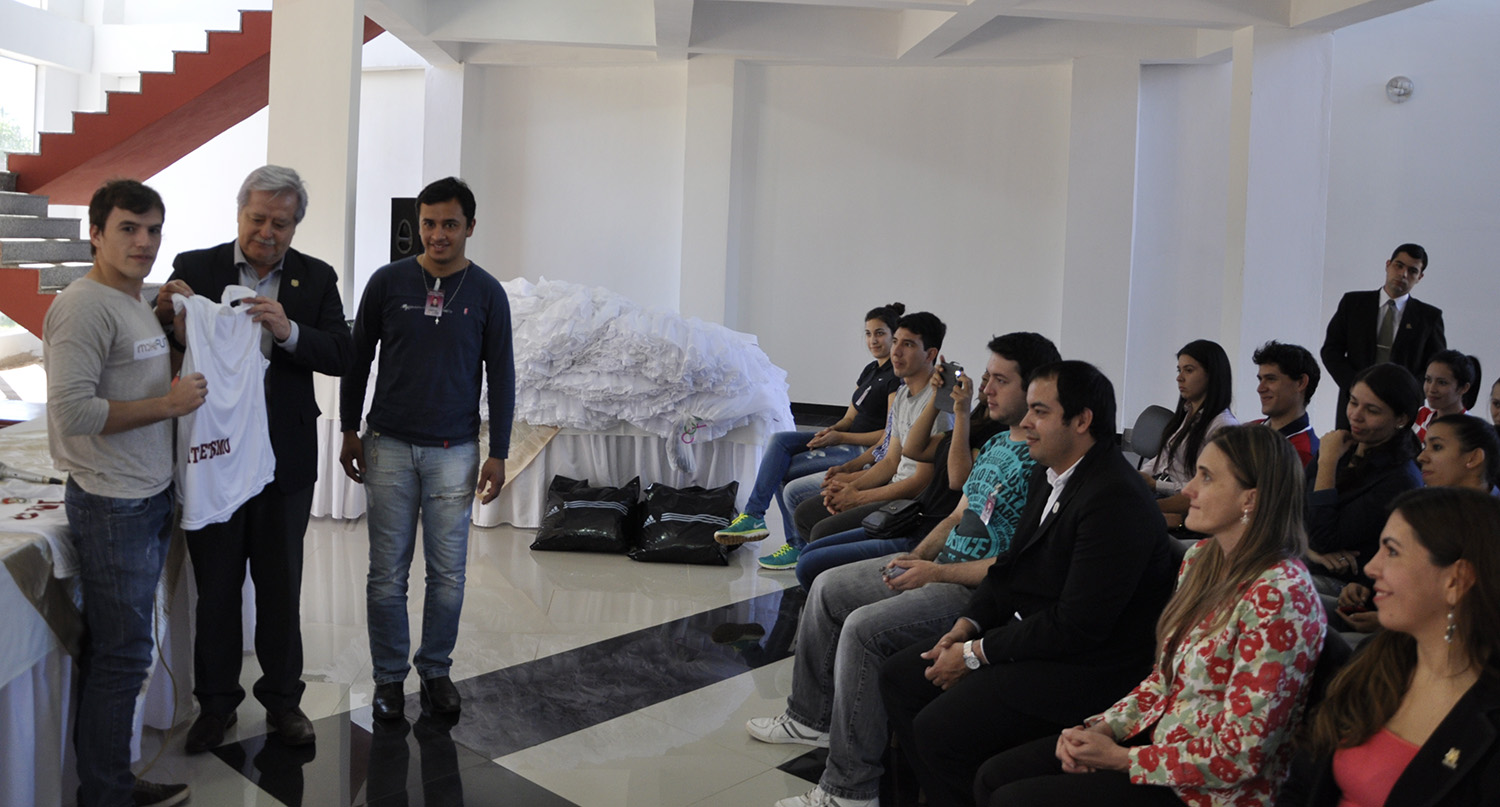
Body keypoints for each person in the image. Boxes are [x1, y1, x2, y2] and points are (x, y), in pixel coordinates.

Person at [747, 332, 1058, 807]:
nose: (987, 388)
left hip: (972, 591)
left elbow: (1013, 566)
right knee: (827, 587)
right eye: (988, 377)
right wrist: (922, 557)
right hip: (940, 564)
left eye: (1001, 380)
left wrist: (935, 573)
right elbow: (957, 514)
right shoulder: (997, 442)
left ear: (1034, 387)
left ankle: (849, 788)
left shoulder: (1039, 463)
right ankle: (810, 719)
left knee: (863, 629)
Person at [972, 425, 1326, 807]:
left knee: (1013, 799)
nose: (1188, 490)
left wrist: (1121, 759)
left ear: (1250, 499)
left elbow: (1241, 754)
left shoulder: (1281, 595)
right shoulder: (1201, 560)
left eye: (1206, 477)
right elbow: (1163, 680)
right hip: (1163, 745)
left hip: (1211, 793)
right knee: (993, 776)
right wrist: (1100, 729)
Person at [878, 360, 1177, 807]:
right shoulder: (1049, 472)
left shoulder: (1113, 497)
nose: (1027, 422)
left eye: (1040, 411)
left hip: (1089, 668)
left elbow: (1078, 625)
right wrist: (965, 627)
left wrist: (975, 654)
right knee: (900, 677)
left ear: (1082, 420)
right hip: (1041, 638)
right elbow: (1010, 569)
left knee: (938, 729)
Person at [157, 165, 353, 753]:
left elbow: (341, 353)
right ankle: (215, 705)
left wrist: (290, 331)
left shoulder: (315, 277)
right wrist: (169, 318)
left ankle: (283, 701)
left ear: (295, 226)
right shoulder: (197, 268)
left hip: (283, 457)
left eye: (281, 223)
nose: (267, 232)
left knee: (280, 586)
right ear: (239, 213)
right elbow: (163, 343)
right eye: (258, 218)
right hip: (214, 455)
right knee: (215, 587)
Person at [45, 179, 207, 807]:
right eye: (128, 229)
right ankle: (106, 793)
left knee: (122, 653)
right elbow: (73, 414)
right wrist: (168, 404)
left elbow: (132, 371)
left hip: (145, 494)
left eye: (153, 230)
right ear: (95, 233)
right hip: (114, 503)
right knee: (121, 656)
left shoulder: (133, 300)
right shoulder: (83, 306)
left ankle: (110, 780)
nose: (144, 242)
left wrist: (170, 331)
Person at [340, 177, 515, 721]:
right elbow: (357, 358)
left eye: (450, 224)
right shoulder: (387, 282)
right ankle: (389, 678)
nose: (438, 235)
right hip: (388, 446)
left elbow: (502, 375)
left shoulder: (487, 293)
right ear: (418, 224)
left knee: (448, 575)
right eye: (429, 224)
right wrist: (348, 428)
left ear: (470, 227)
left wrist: (499, 450)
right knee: (386, 575)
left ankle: (436, 669)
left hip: (454, 453)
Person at [1304, 487, 1500, 807]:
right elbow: (1304, 782)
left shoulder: (1489, 711)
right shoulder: (1377, 658)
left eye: (1392, 552)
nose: (1371, 568)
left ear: (1455, 580)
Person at [714, 303, 904, 568]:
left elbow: (887, 435)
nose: (873, 340)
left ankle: (796, 545)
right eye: (868, 333)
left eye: (880, 333)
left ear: (894, 336)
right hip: (845, 439)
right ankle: (754, 516)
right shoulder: (870, 370)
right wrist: (832, 430)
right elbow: (849, 418)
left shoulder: (896, 377)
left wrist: (840, 438)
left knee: (782, 469)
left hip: (861, 450)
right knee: (779, 441)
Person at [790, 313, 952, 549]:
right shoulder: (903, 394)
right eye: (895, 342)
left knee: (822, 531)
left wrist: (859, 497)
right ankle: (813, 560)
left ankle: (819, 564)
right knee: (806, 513)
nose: (896, 352)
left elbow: (920, 482)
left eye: (908, 345)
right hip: (892, 486)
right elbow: (890, 461)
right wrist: (852, 486)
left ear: (930, 354)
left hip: (912, 504)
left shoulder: (938, 406)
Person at [1336, 414, 1500, 631]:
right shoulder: (1432, 507)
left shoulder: (1491, 526)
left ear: (1473, 458)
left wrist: (1393, 624)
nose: (1422, 457)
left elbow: (1479, 613)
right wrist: (1366, 587)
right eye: (1424, 447)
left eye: (1437, 447)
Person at [1305, 363, 1423, 591]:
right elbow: (1289, 511)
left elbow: (1323, 537)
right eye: (1353, 402)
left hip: (1350, 587)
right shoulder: (1340, 445)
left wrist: (1327, 464)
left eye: (1372, 410)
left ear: (1401, 419)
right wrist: (1310, 551)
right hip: (1306, 561)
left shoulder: (1400, 479)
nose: (1355, 415)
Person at [1320, 243, 1446, 430]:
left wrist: (1409, 393)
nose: (1403, 274)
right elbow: (1331, 350)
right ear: (1388, 265)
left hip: (1401, 411)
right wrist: (1354, 386)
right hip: (1354, 406)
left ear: (1420, 277)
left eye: (1412, 271)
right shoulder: (1353, 304)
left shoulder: (1429, 317)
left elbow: (1436, 367)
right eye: (1399, 265)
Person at [1141, 340, 1238, 521]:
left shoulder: (1223, 427)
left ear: (1212, 375)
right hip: (1161, 493)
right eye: (1179, 370)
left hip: (1184, 506)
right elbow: (1163, 459)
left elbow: (1209, 489)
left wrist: (1156, 485)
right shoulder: (1187, 413)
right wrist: (1139, 477)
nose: (1180, 377)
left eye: (1189, 370)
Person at [1248, 340, 1321, 466]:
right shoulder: (1250, 428)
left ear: (1301, 383)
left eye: (1271, 379)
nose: (1260, 388)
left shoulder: (1303, 452)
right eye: (1260, 380)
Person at [1414, 349, 1483, 443]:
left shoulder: (1470, 430)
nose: (1432, 389)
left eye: (1442, 382)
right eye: (1428, 380)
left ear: (1464, 388)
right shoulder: (1421, 415)